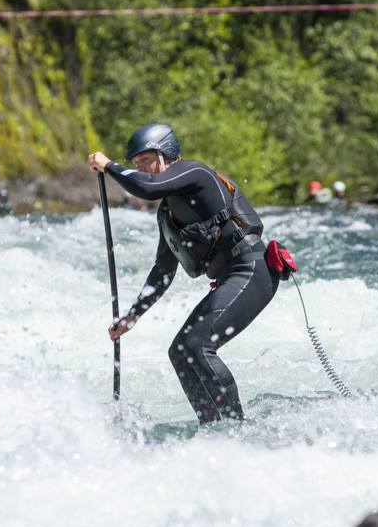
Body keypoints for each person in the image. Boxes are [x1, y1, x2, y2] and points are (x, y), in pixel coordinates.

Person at [88, 122, 278, 423]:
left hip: (252, 268)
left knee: (197, 345)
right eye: (136, 164)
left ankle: (237, 427)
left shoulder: (195, 173)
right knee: (179, 351)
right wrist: (132, 316)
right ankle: (211, 424)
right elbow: (163, 270)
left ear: (166, 154)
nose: (143, 169)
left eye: (146, 161)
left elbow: (146, 188)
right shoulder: (168, 214)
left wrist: (109, 166)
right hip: (231, 277)